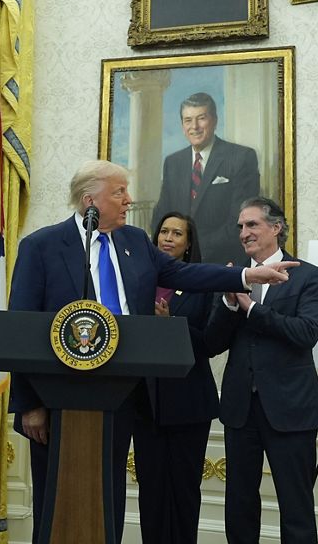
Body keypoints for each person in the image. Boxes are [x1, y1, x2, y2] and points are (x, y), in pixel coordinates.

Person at [8, 160, 296, 544]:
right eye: (119, 192)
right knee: (56, 495)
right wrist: (29, 404)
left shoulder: (135, 242)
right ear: (90, 200)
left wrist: (244, 275)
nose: (129, 200)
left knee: (109, 493)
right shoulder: (41, 247)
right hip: (60, 399)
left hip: (123, 395)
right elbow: (20, 330)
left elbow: (185, 275)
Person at [207, 196, 318, 544]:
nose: (244, 233)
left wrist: (252, 310)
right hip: (240, 409)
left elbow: (306, 334)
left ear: (276, 228)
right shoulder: (235, 276)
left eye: (252, 224)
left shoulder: (306, 275)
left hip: (291, 409)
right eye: (241, 227)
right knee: (239, 503)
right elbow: (212, 344)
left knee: (296, 506)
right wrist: (230, 303)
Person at [134, 212, 219, 544]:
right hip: (146, 403)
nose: (168, 238)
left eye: (177, 234)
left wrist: (173, 325)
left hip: (189, 404)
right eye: (163, 232)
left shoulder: (201, 285)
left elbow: (210, 343)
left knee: (184, 489)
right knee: (150, 489)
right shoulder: (139, 282)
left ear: (188, 245)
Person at [154, 92, 260, 267]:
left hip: (223, 263)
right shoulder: (173, 162)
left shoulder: (241, 157)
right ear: (182, 125)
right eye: (188, 120)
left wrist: (192, 247)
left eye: (201, 118)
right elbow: (162, 213)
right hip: (177, 264)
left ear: (215, 120)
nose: (194, 126)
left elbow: (239, 220)